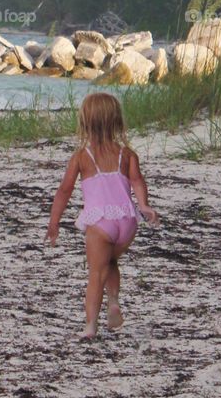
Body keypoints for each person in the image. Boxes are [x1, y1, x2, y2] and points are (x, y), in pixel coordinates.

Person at [46, 92, 159, 338]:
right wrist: (145, 206)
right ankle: (114, 302)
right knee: (110, 261)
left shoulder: (81, 157)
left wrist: (54, 222)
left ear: (85, 122)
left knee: (96, 274)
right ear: (116, 121)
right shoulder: (127, 154)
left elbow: (64, 191)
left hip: (101, 222)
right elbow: (138, 181)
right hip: (127, 221)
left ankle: (90, 326)